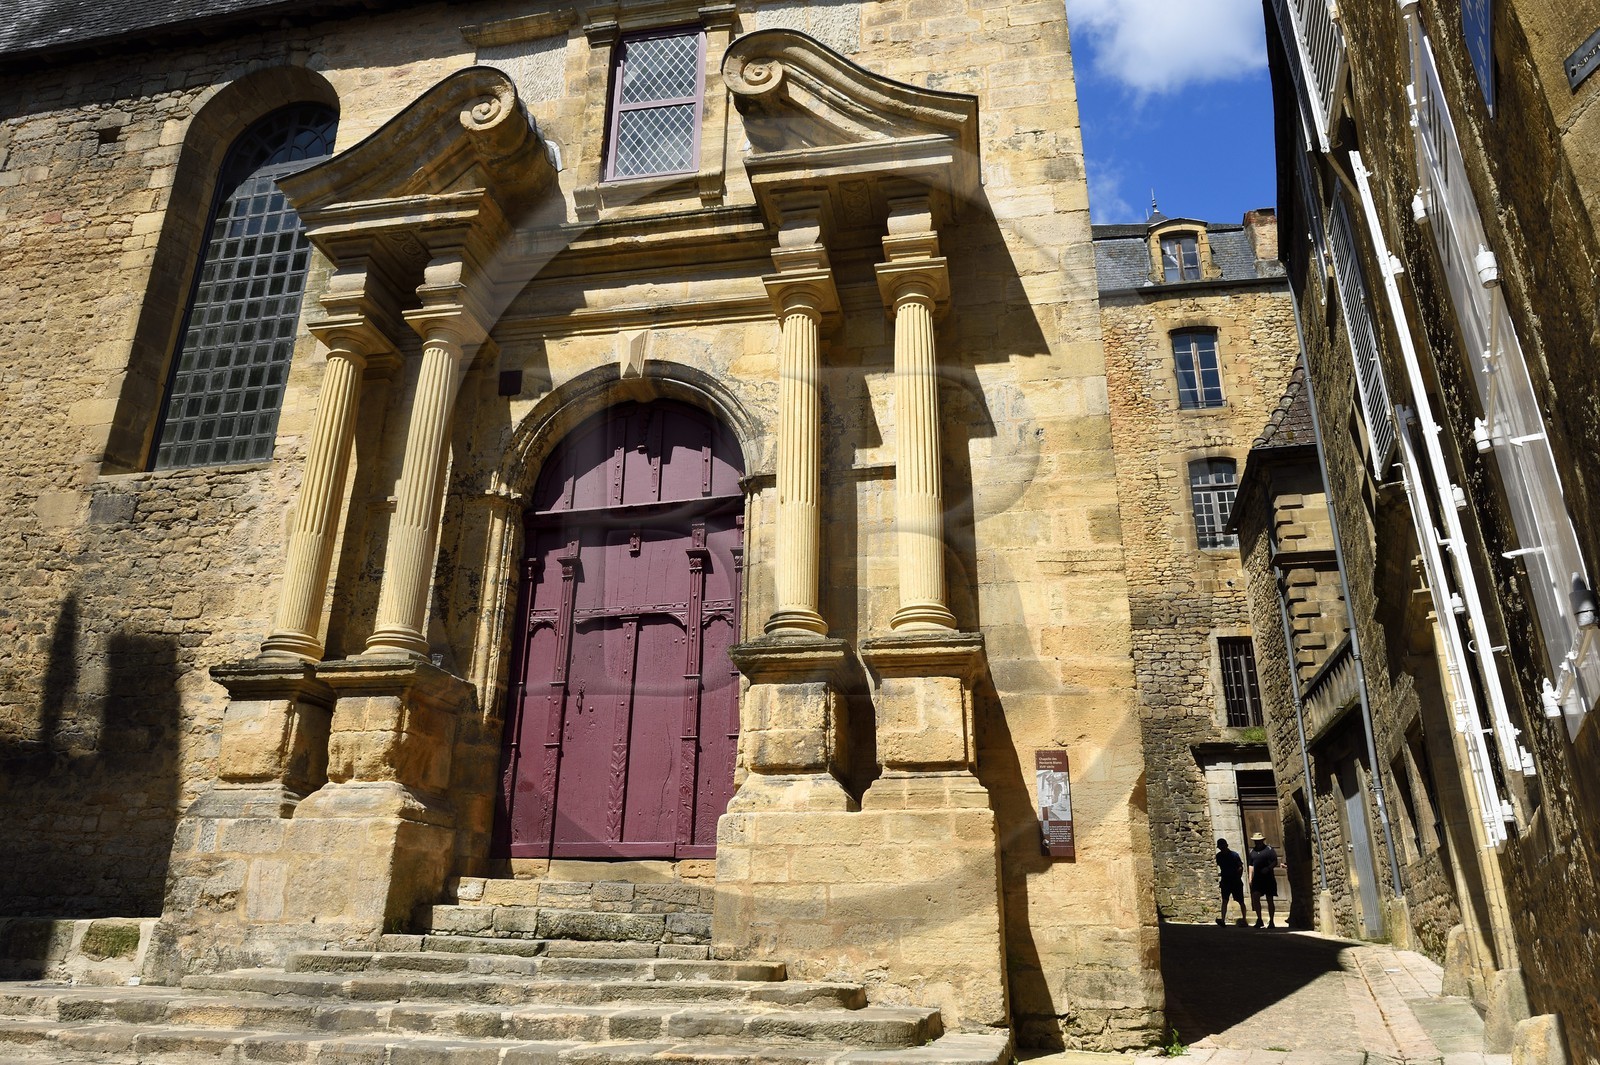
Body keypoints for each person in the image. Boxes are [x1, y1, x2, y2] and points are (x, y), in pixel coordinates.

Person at [1248, 831, 1279, 928]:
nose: (1257, 842)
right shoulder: (1252, 852)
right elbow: (1251, 865)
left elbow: (1275, 862)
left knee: (1270, 899)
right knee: (1256, 897)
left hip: (1268, 878)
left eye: (1259, 841)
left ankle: (1271, 921)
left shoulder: (1269, 850)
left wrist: (1268, 868)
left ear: (1262, 840)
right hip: (1257, 879)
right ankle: (1259, 919)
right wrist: (1250, 877)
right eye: (1256, 841)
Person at [1215, 838, 1246, 926]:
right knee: (1225, 900)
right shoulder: (1219, 856)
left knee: (1241, 901)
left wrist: (1237, 877)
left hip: (1235, 881)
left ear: (1226, 846)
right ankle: (1223, 920)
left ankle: (1244, 919)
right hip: (1226, 881)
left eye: (1222, 846)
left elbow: (1240, 867)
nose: (1222, 848)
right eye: (1220, 847)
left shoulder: (1234, 855)